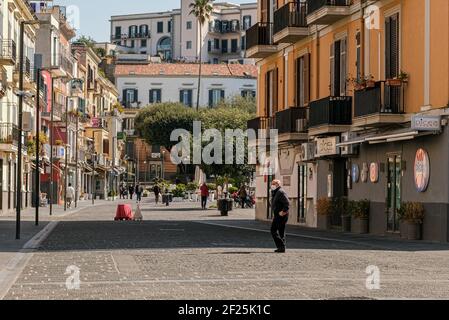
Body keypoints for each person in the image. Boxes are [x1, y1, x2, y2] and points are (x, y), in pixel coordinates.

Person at [270, 180, 290, 253]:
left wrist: (284, 211)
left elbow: (287, 203)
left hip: (281, 215)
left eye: (273, 184)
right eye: (271, 184)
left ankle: (281, 245)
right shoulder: (276, 192)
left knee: (273, 230)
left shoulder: (280, 192)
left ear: (277, 184)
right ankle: (281, 248)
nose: (271, 185)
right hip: (277, 215)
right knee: (281, 231)